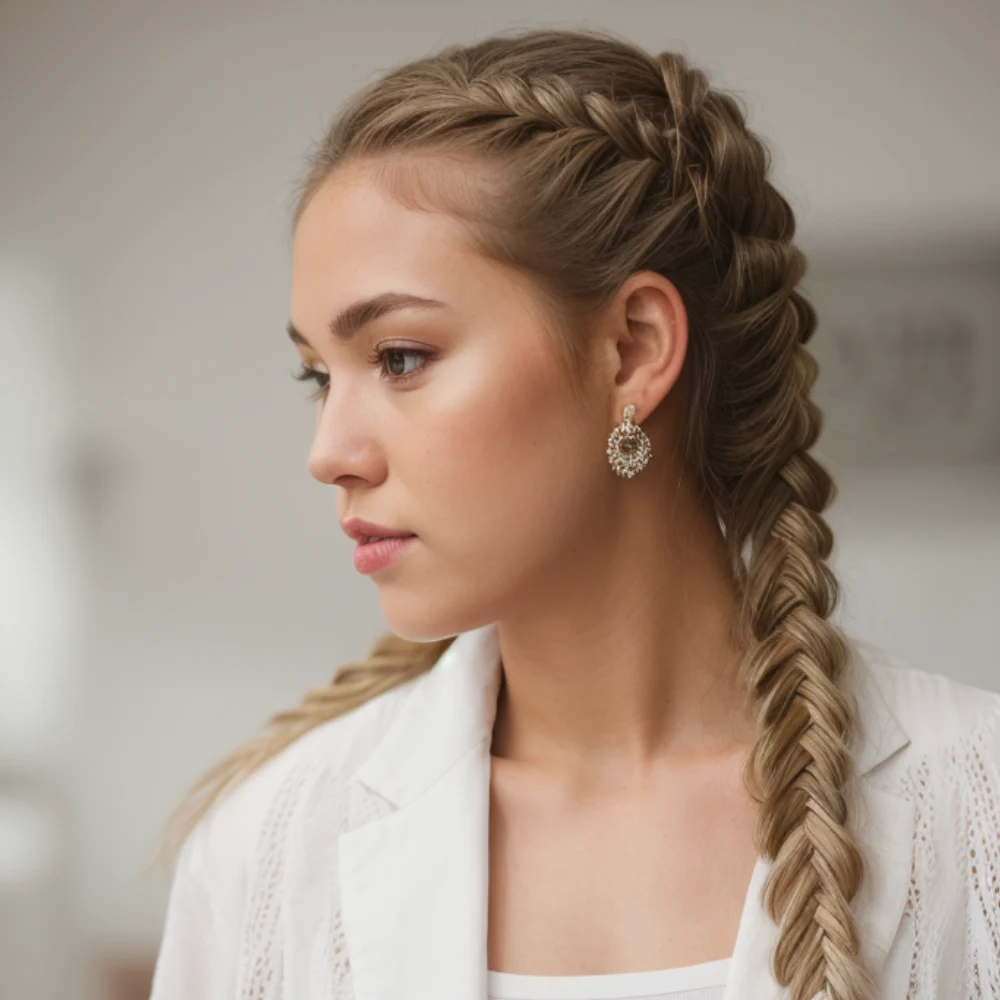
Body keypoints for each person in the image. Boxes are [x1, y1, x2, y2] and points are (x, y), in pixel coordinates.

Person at [147, 26, 1000, 1000]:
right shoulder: (268, 853)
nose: (330, 453)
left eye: (399, 356)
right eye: (317, 372)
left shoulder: (980, 808)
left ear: (633, 350)